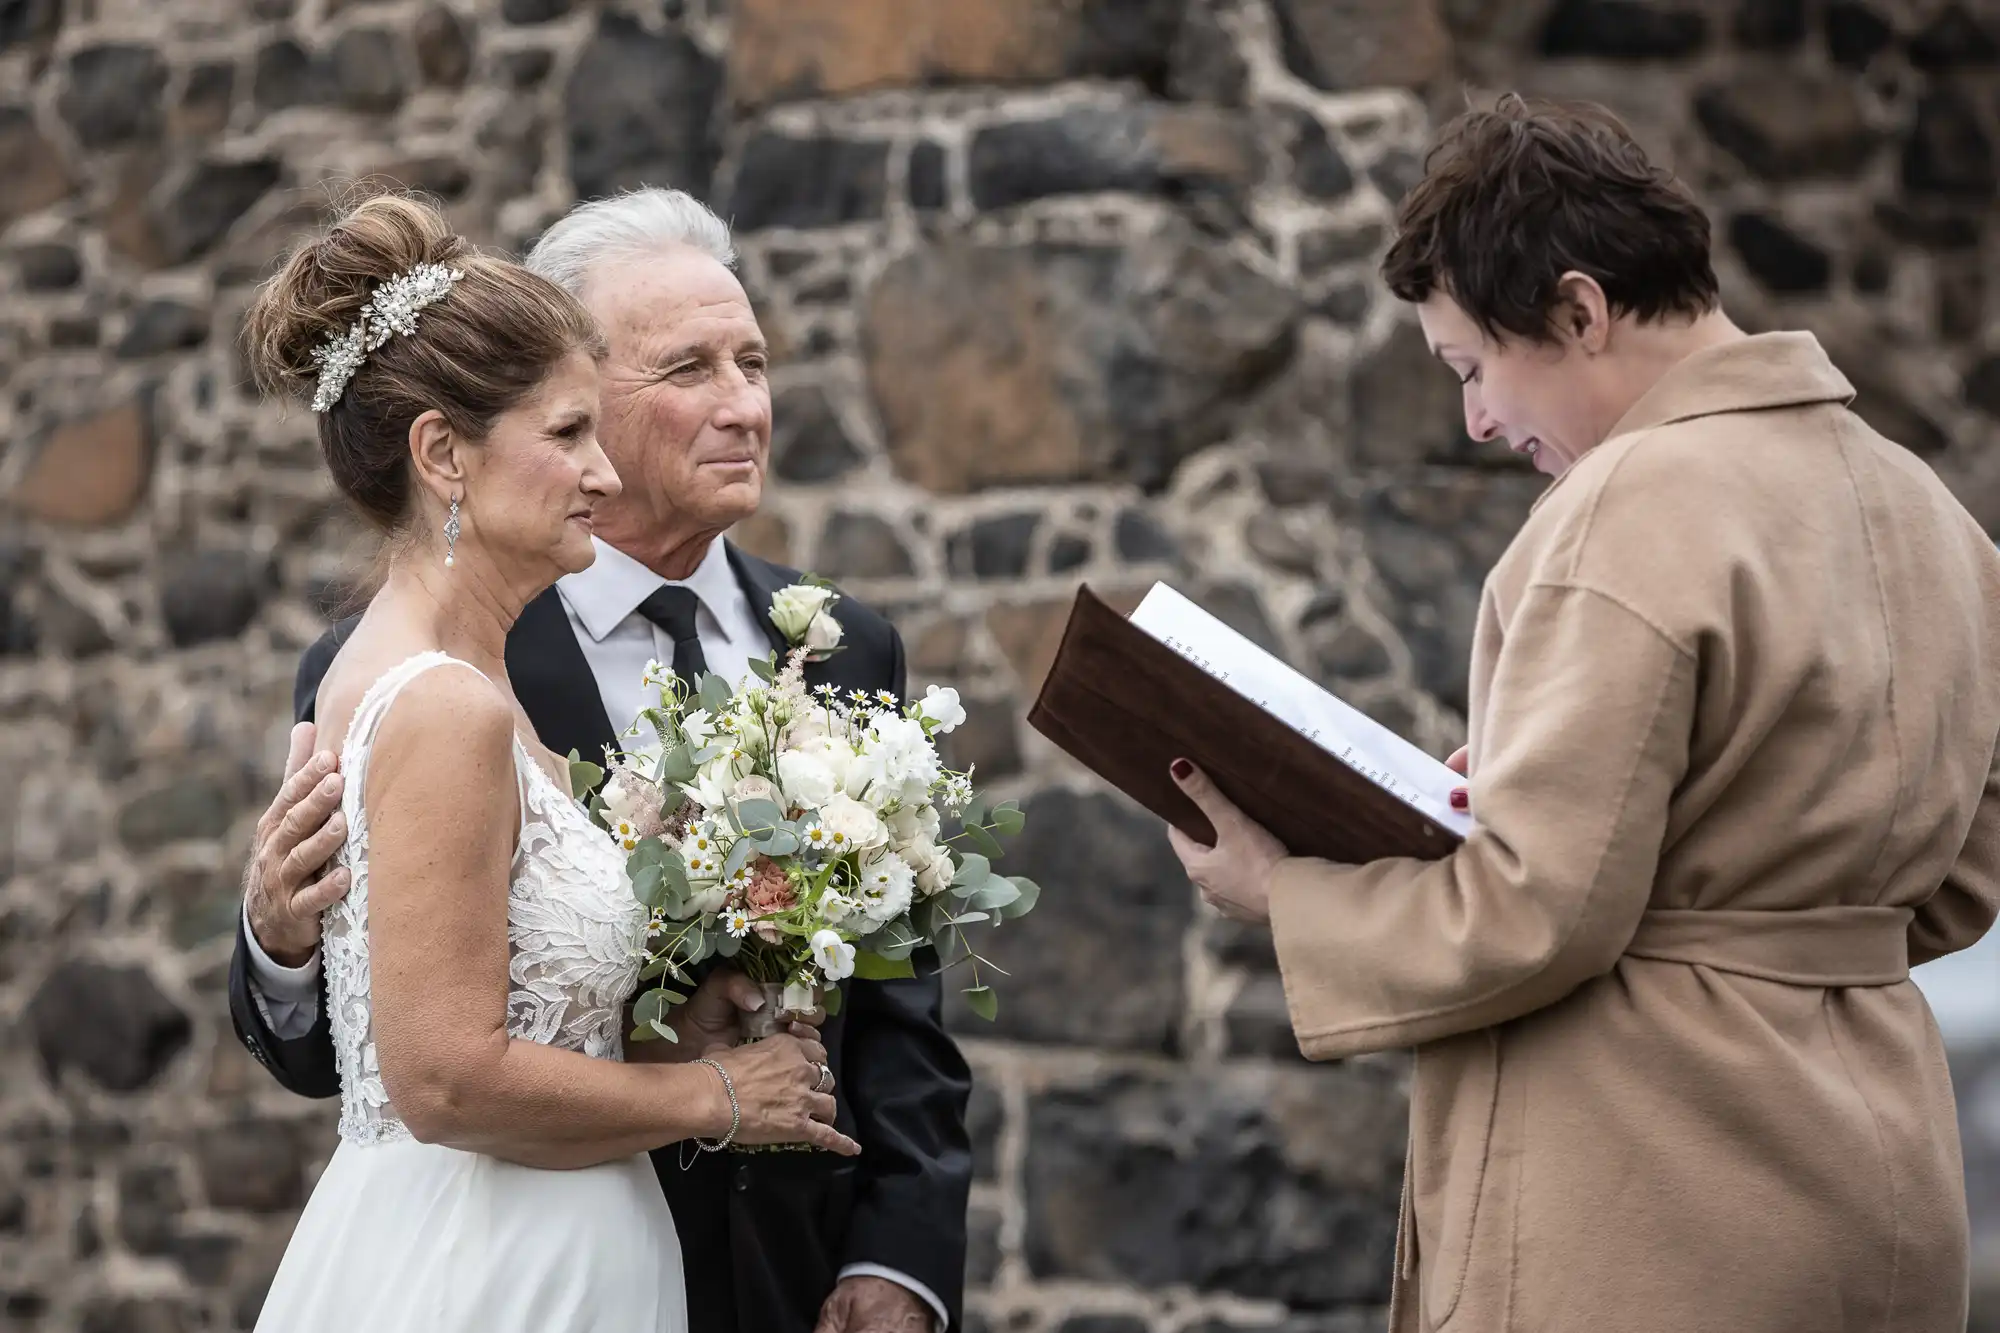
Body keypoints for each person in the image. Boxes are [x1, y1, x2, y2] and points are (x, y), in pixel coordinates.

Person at [1168, 96, 2000, 1333]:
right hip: (1881, 1181)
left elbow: (1532, 910)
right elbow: (1963, 864)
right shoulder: (1923, 504)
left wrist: (1281, 892)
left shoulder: (1628, 506)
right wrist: (1736, 898)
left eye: (1471, 367)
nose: (1477, 421)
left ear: (1576, 310)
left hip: (1657, 1196)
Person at [228, 188, 972, 1333]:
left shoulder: (842, 643)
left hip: (777, 1274)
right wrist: (281, 941)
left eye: (754, 362)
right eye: (686, 370)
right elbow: (417, 1062)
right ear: (450, 451)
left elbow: (899, 1013)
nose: (742, 406)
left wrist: (901, 1261)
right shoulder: (429, 681)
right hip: (509, 1258)